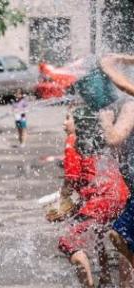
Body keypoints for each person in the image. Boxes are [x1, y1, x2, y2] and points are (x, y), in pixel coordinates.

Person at [50, 107, 129, 288]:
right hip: (120, 196)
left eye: (68, 118)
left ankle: (88, 285)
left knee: (68, 242)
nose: (64, 123)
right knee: (100, 233)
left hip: (101, 201)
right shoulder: (103, 139)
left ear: (79, 122)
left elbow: (71, 179)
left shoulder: (73, 142)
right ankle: (106, 278)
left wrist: (62, 202)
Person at [95, 54, 134, 287]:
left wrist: (106, 122)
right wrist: (121, 59)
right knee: (119, 236)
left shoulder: (131, 105)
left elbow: (113, 138)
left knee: (118, 235)